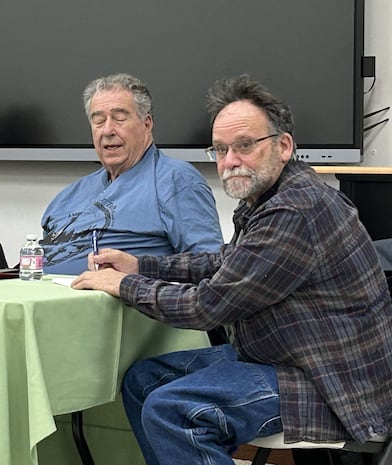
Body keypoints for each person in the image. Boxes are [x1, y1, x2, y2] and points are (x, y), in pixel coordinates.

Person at [71, 75, 392, 465]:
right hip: (282, 359)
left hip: (329, 383)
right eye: (221, 150)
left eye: (244, 146)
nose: (230, 161)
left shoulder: (294, 211)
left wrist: (126, 284)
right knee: (143, 381)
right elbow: (225, 262)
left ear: (283, 146)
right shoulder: (269, 195)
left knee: (172, 409)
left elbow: (208, 306)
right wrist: (143, 263)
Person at [40, 73, 223, 275]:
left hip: (115, 303)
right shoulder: (67, 196)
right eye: (99, 121)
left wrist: (139, 268)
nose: (108, 130)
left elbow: (211, 265)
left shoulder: (177, 180)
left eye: (119, 118)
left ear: (147, 124)